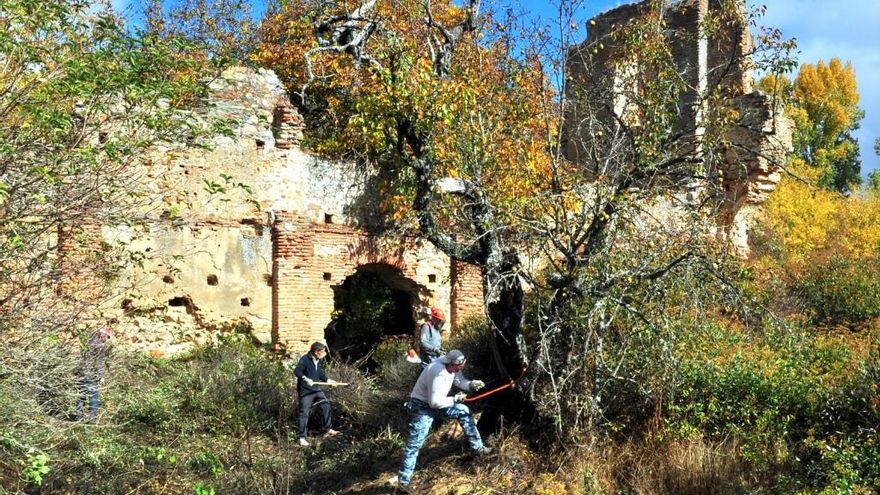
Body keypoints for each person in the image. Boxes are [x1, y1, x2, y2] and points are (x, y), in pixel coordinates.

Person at [390, 349, 489, 491]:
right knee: (415, 443)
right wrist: (455, 398)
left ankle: (477, 448)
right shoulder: (437, 371)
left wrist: (471, 384)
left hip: (436, 403)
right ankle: (403, 482)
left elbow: (459, 380)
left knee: (463, 411)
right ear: (451, 364)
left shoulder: (453, 367)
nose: (461, 368)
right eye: (459, 366)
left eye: (462, 365)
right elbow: (435, 403)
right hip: (421, 407)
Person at [293, 341, 340, 446]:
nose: (324, 353)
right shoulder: (305, 359)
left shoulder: (319, 360)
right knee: (304, 413)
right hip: (306, 391)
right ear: (316, 352)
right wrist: (305, 378)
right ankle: (302, 438)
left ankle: (328, 429)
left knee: (325, 404)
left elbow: (319, 373)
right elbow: (297, 371)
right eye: (322, 351)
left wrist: (328, 380)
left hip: (316, 389)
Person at [75, 318, 115, 422]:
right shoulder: (100, 346)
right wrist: (101, 376)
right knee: (94, 397)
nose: (106, 339)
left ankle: (79, 418)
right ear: (103, 335)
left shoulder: (87, 342)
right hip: (92, 374)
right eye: (107, 337)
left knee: (81, 395)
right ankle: (92, 419)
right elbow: (99, 362)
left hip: (81, 373)